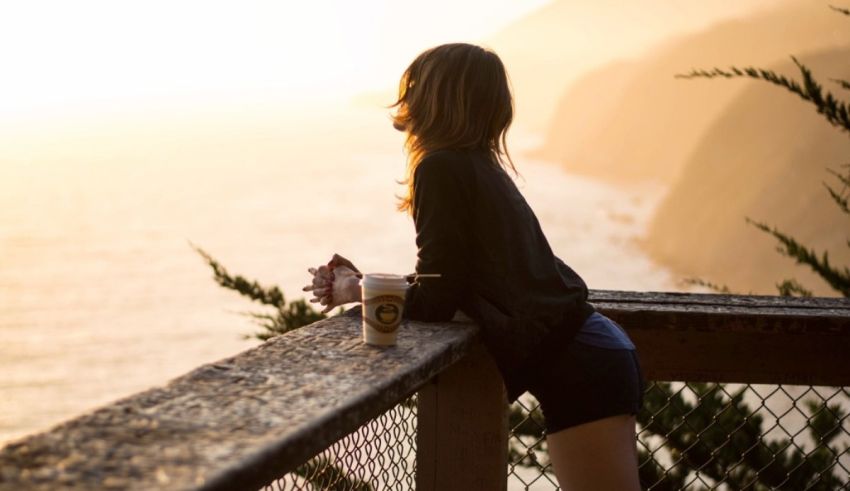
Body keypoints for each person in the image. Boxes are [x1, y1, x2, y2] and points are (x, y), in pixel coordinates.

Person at [303, 43, 644, 491]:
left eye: (414, 87)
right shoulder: (478, 165)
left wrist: (358, 290)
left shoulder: (441, 168)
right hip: (591, 354)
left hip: (580, 367)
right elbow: (453, 278)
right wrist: (364, 284)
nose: (407, 99)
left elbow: (437, 299)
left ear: (434, 97)